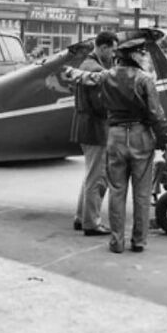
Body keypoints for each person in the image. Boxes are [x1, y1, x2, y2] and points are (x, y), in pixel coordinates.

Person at [65, 38, 167, 254]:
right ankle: (139, 241)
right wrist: (162, 140)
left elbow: (85, 77)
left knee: (116, 191)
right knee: (141, 194)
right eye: (141, 54)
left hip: (115, 135)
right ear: (133, 56)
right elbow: (155, 114)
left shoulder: (106, 76)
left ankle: (116, 242)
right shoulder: (145, 79)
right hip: (141, 136)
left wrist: (71, 72)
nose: (144, 57)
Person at [70, 31, 118, 236]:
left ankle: (82, 218)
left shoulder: (86, 65)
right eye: (113, 49)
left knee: (91, 174)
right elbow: (101, 105)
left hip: (86, 125)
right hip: (95, 127)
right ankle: (92, 222)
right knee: (97, 177)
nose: (114, 54)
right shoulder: (96, 69)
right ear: (104, 47)